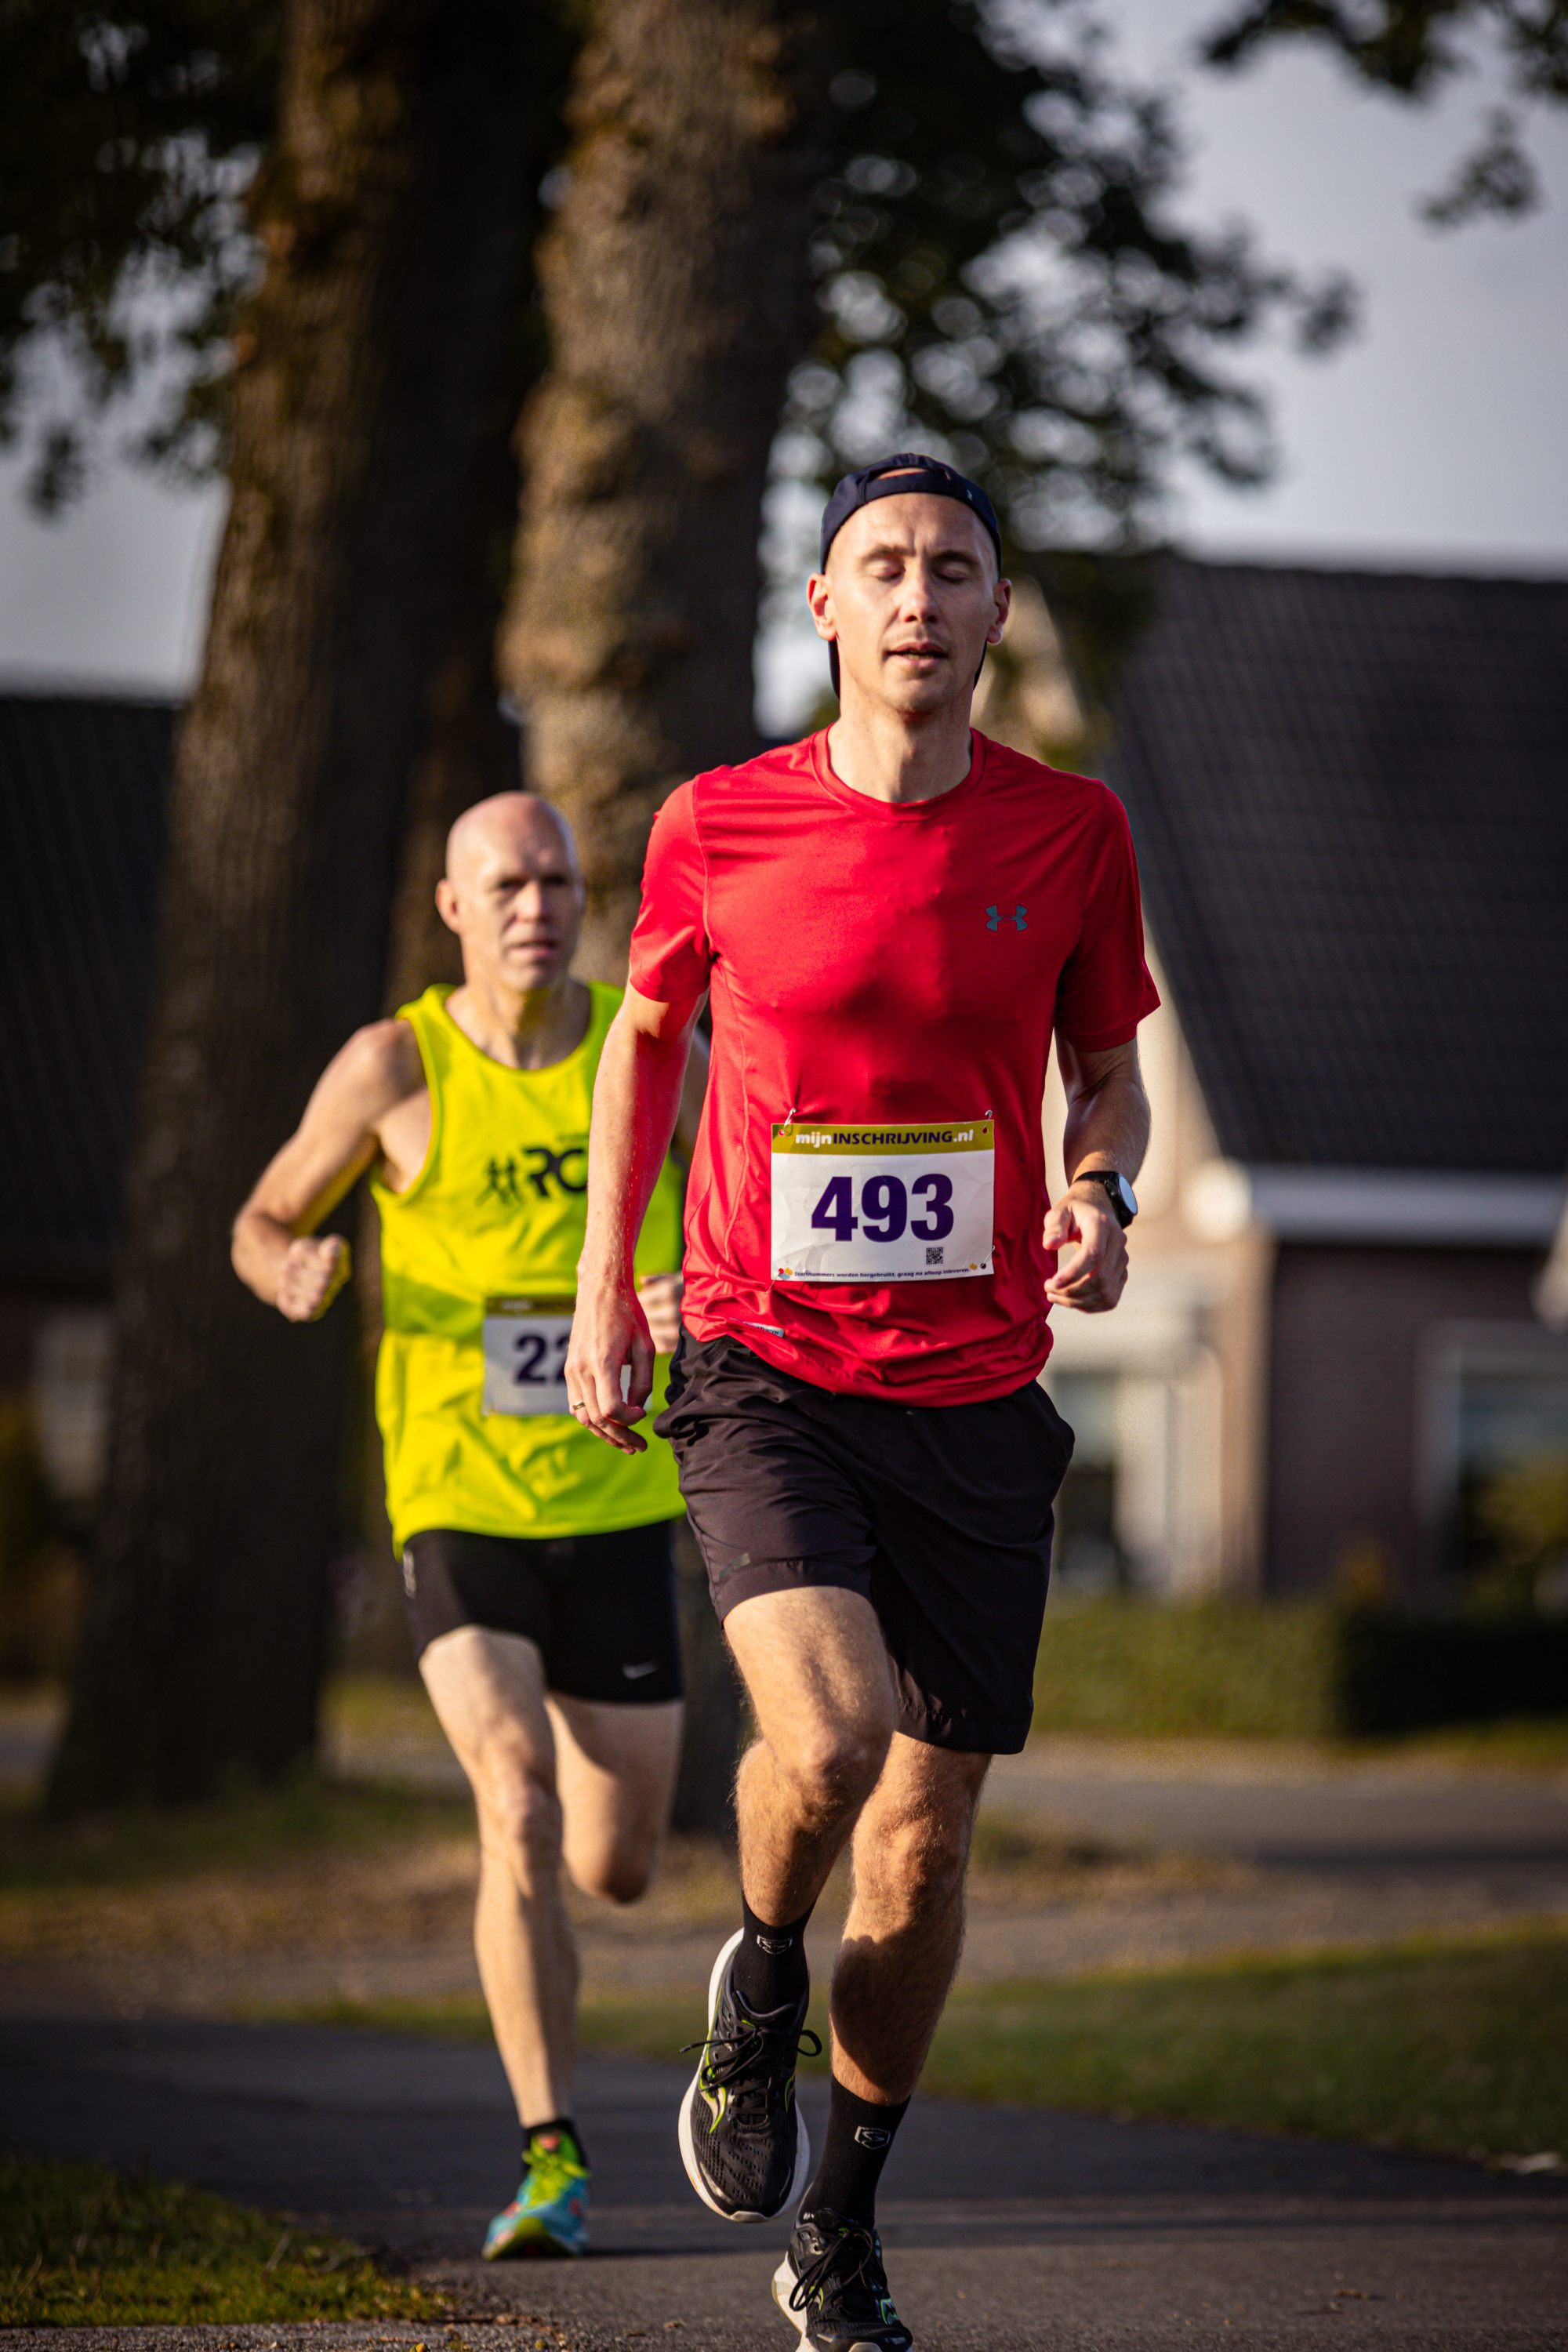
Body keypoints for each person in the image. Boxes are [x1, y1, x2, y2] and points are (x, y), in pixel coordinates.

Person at [565, 454, 1157, 2349]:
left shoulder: (1072, 832)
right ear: (819, 606)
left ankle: (839, 2224)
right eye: (881, 566)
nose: (918, 595)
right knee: (820, 1747)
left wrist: (1100, 1188)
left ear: (994, 618)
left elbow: (1108, 1075)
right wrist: (608, 1278)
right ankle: (753, 1975)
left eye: (954, 570)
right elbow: (643, 1044)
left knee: (922, 1841)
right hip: (762, 1358)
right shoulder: (717, 825)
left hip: (978, 1385)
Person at [233, 792, 705, 2261]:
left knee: (616, 1864)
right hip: (458, 1500)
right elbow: (260, 1218)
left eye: (558, 881)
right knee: (513, 1798)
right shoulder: (394, 1066)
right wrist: (288, 1272)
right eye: (504, 883)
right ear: (453, 907)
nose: (535, 907)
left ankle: (571, 1806)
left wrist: (695, 1287)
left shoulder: (655, 1050)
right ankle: (549, 2156)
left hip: (623, 1497)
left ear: (588, 897)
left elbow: (735, 1223)